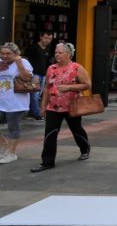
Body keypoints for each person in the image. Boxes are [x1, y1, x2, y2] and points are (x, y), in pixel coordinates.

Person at [30, 43, 92, 172]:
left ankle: (85, 149)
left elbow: (88, 85)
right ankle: (47, 162)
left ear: (68, 54)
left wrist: (70, 87)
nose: (57, 55)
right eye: (56, 53)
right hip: (53, 107)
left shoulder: (77, 68)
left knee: (76, 129)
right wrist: (42, 107)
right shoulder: (51, 68)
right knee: (50, 133)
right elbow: (47, 88)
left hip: (72, 106)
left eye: (60, 53)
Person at [0, 43, 34, 164]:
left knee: (12, 128)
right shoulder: (1, 62)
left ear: (16, 54)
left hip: (16, 102)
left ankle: (12, 153)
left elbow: (26, 78)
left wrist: (19, 63)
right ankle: (5, 146)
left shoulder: (23, 62)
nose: (4, 56)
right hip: (2, 100)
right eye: (2, 53)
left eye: (8, 54)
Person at [25, 31, 53, 121]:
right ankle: (37, 114)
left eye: (49, 39)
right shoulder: (33, 47)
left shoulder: (48, 49)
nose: (47, 40)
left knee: (38, 94)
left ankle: (31, 112)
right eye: (45, 38)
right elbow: (25, 59)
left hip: (43, 74)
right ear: (40, 37)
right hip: (34, 74)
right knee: (35, 94)